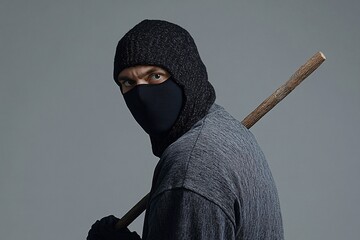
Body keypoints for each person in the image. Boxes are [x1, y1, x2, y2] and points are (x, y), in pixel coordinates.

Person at [87, 19, 284, 240]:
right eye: (128, 83)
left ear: (186, 76)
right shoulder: (225, 129)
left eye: (155, 76)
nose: (141, 96)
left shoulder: (190, 168)